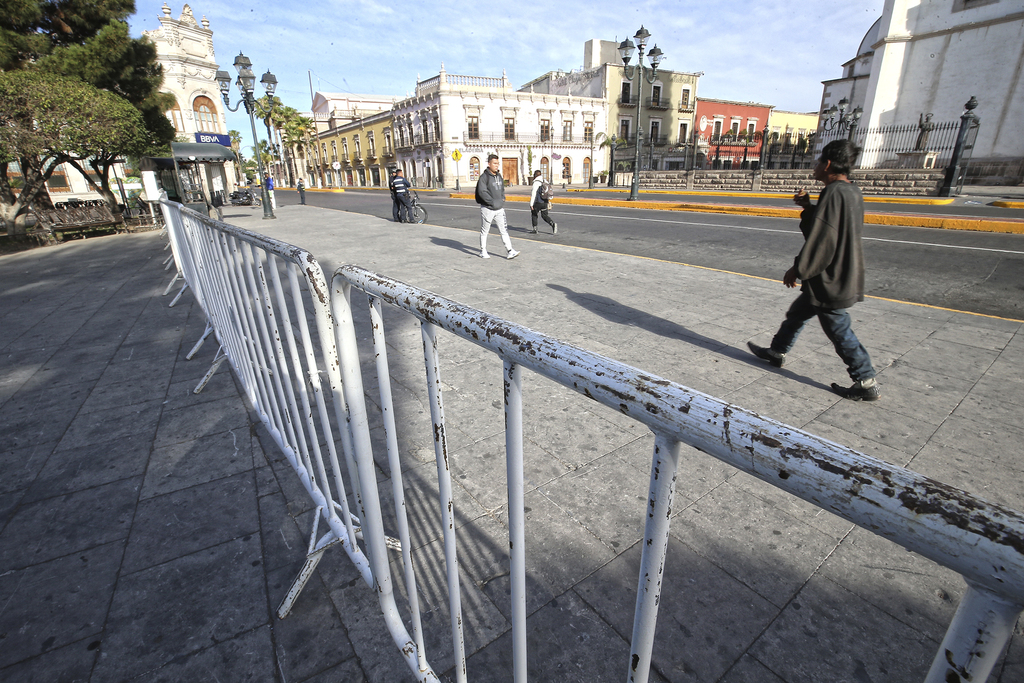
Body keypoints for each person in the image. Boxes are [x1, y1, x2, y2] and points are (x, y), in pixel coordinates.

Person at [747, 139, 880, 401]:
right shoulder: (851, 191)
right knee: (797, 313)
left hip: (831, 278)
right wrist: (808, 207)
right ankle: (777, 352)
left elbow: (822, 239)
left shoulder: (834, 193)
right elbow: (826, 225)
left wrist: (797, 268)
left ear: (828, 164)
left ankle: (865, 381)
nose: (816, 166)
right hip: (836, 273)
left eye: (819, 161)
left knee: (838, 328)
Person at [474, 154, 519, 259]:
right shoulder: (484, 177)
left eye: (498, 163)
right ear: (489, 164)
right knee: (485, 230)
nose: (497, 165)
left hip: (499, 209)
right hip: (487, 209)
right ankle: (483, 251)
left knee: (504, 230)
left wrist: (502, 198)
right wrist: (492, 202)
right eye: (494, 163)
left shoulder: (498, 176)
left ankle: (510, 250)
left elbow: (502, 188)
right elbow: (482, 192)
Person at [529, 170, 558, 235]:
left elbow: (533, 194)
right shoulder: (545, 181)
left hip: (537, 202)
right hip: (545, 201)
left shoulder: (536, 183)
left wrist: (531, 204)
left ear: (535, 175)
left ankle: (535, 229)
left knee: (534, 214)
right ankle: (552, 224)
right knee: (544, 215)